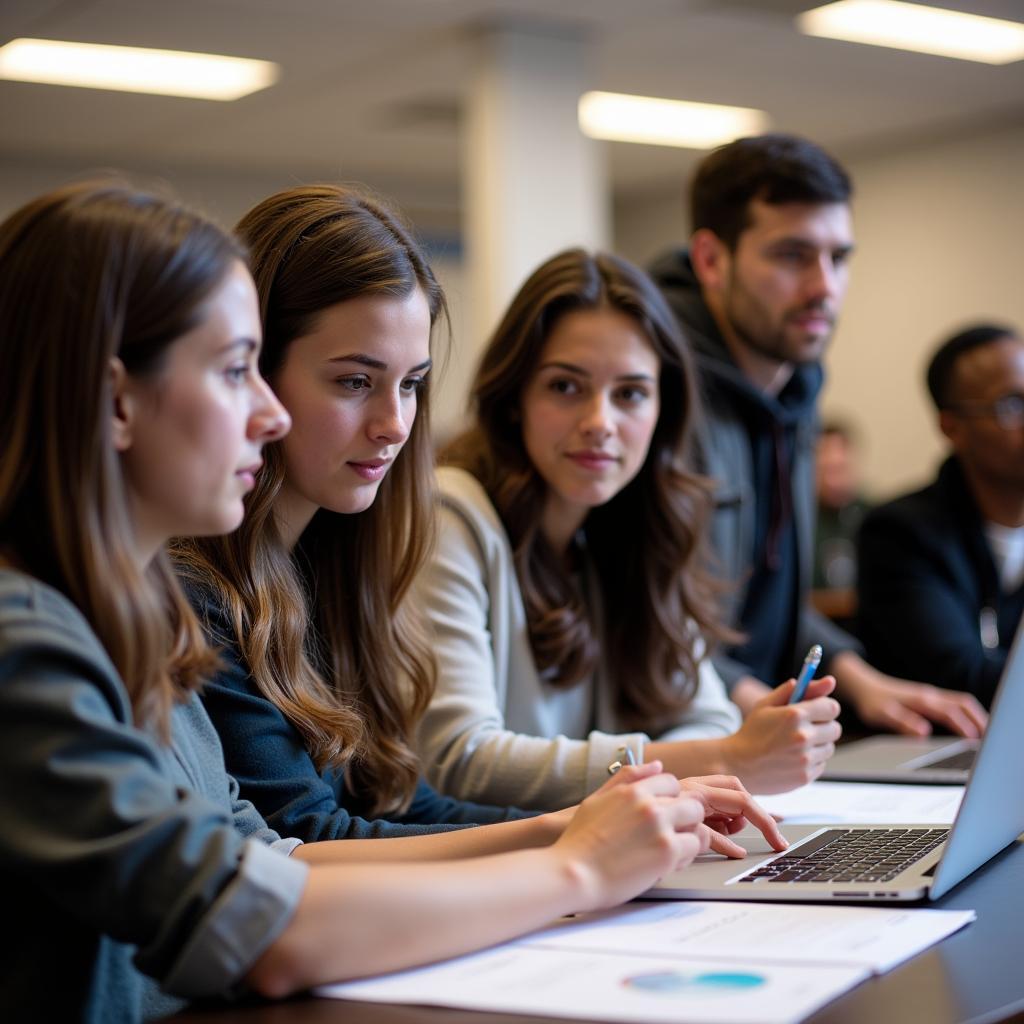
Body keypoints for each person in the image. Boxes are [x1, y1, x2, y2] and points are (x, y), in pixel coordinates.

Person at [0, 181, 745, 1022]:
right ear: (115, 401)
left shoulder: (135, 618)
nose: (267, 413)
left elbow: (268, 857)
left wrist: (573, 828)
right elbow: (258, 925)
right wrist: (579, 867)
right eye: (234, 370)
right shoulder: (28, 641)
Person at [173, 187, 782, 851]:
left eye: (411, 385)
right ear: (252, 373)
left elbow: (401, 801)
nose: (394, 425)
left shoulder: (337, 562)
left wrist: (622, 818)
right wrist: (583, 833)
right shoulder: (203, 590)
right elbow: (312, 836)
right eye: (354, 382)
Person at [414, 247, 843, 812]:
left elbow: (705, 715)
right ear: (515, 397)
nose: (600, 423)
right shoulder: (451, 514)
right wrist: (721, 760)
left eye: (631, 394)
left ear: (663, 411)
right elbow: (458, 759)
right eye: (566, 387)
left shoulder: (633, 526)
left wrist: (715, 756)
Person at [649, 132, 988, 740]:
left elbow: (769, 599)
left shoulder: (796, 389)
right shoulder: (650, 387)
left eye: (838, 258)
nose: (824, 287)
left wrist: (863, 679)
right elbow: (644, 615)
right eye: (792, 256)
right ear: (710, 260)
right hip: (674, 741)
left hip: (752, 733)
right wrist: (755, 706)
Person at [858, 324, 1024, 708]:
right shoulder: (900, 534)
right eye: (1011, 405)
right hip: (937, 748)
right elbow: (961, 677)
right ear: (952, 427)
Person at [812, 420, 871, 628]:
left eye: (840, 469)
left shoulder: (874, 518)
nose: (833, 481)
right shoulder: (799, 522)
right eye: (825, 470)